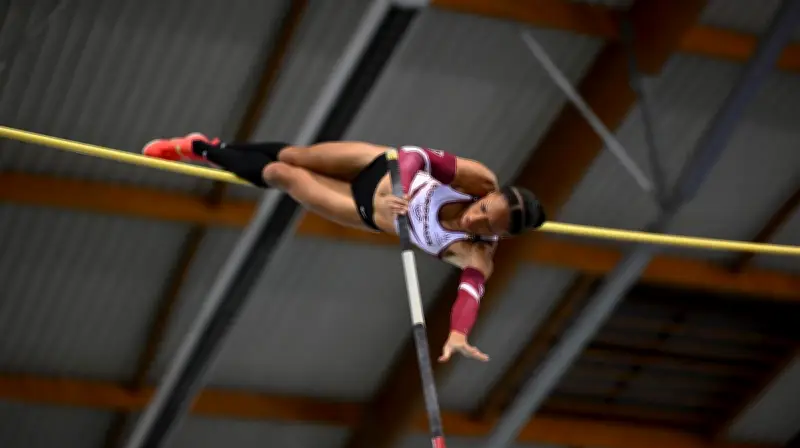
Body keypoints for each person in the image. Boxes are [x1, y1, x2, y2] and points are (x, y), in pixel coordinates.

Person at [143, 133, 546, 363]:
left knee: (284, 175)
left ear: (502, 236)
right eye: (482, 210)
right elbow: (415, 154)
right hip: (377, 165)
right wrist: (401, 186)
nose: (474, 219)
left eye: (487, 226)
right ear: (488, 196)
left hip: (362, 210)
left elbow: (469, 294)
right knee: (295, 155)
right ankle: (220, 146)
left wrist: (458, 334)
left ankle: (198, 150)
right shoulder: (480, 179)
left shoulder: (477, 255)